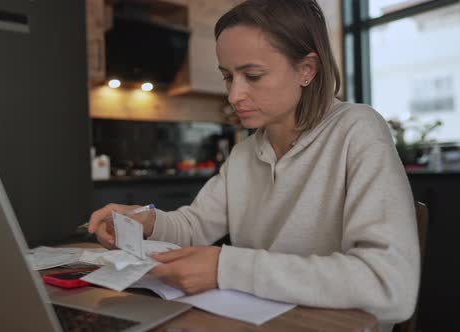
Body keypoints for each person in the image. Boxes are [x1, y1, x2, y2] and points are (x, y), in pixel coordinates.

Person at [88, 1, 419, 331]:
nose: (234, 95)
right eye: (228, 77)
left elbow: (390, 285)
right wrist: (146, 221)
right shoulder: (245, 154)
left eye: (252, 75)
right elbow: (195, 225)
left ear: (307, 69)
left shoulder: (357, 131)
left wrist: (226, 268)